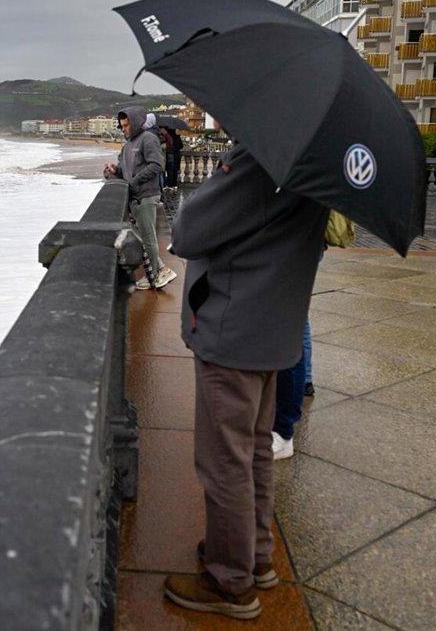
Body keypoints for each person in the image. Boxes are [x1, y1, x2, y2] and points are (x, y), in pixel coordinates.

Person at [163, 145, 327, 619]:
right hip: (273, 329)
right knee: (253, 449)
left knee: (224, 460)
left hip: (235, 328)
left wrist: (211, 186)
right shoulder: (315, 160)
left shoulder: (261, 159)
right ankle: (255, 556)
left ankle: (229, 581)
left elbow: (189, 231)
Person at [103, 106, 177, 290]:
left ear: (135, 122)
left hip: (146, 196)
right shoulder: (127, 145)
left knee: (148, 237)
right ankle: (156, 272)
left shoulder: (148, 139)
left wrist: (134, 182)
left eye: (126, 125)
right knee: (143, 237)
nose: (124, 129)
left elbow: (157, 165)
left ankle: (159, 273)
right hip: (135, 198)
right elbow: (124, 170)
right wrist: (114, 170)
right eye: (121, 126)